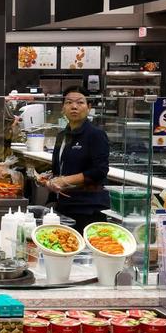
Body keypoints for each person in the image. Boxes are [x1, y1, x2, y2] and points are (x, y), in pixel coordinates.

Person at [38, 85, 110, 230]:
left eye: (80, 102)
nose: (74, 107)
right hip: (63, 205)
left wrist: (65, 181)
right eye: (69, 102)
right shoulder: (62, 135)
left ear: (89, 107)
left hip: (87, 208)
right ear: (63, 108)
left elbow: (100, 171)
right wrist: (48, 179)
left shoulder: (95, 134)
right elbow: (61, 167)